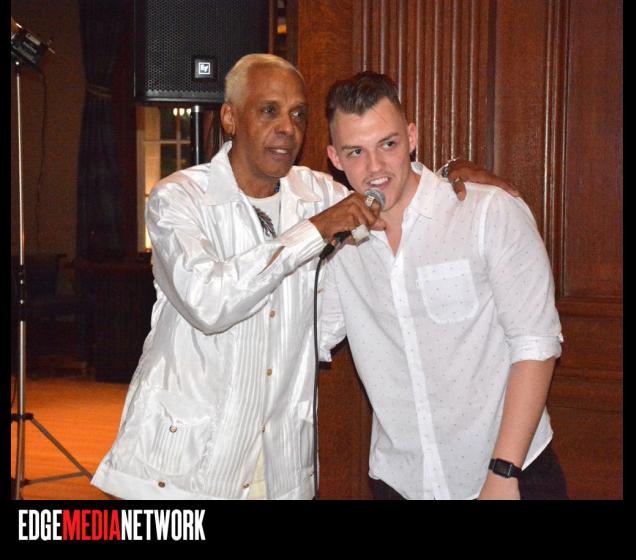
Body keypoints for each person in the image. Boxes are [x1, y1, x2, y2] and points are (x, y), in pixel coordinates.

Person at [91, 55, 513, 500]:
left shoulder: (318, 193)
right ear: (230, 118)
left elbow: (389, 187)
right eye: (268, 111)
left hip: (281, 464)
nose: (287, 128)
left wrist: (450, 176)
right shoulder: (179, 198)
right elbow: (209, 304)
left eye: (297, 114)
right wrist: (313, 231)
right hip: (186, 465)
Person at [319, 71, 568, 500]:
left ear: (412, 137)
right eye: (356, 151)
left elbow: (536, 344)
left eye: (388, 144)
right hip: (400, 483)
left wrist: (504, 471)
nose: (375, 167)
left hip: (508, 474)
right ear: (335, 158)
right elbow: (305, 338)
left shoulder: (486, 212)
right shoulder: (340, 246)